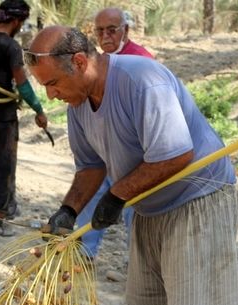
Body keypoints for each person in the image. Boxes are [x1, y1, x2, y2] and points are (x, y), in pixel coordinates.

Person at [25, 26, 238, 305]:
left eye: (53, 83)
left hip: (197, 199)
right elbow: (91, 166)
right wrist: (68, 211)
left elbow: (176, 154)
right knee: (145, 299)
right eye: (44, 86)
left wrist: (117, 195)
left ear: (80, 62)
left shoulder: (143, 81)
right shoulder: (78, 103)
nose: (50, 94)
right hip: (150, 203)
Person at [76, 7, 155, 258]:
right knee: (92, 199)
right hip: (104, 151)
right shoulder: (98, 62)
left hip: (134, 156)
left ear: (126, 30)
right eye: (100, 31)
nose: (106, 36)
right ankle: (83, 253)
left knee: (135, 210)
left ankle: (141, 264)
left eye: (112, 30)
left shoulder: (141, 61)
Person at [0, 0, 48, 236]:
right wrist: (38, 109)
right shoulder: (11, 46)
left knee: (0, 164)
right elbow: (23, 84)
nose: (21, 26)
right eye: (22, 22)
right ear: (16, 21)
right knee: (2, 168)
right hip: (3, 115)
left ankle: (9, 207)